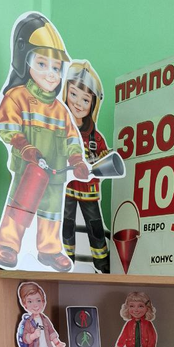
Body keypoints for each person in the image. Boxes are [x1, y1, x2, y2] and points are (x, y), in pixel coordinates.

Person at [0, 13, 89, 272]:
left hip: (56, 174)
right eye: (42, 64)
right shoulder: (17, 97)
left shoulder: (60, 111)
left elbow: (71, 138)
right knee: (20, 206)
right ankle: (8, 245)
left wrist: (77, 160)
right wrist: (24, 146)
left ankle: (49, 250)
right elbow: (6, 125)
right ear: (25, 62)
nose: (51, 74)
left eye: (56, 68)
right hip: (29, 169)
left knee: (51, 213)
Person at [62, 61, 110, 272]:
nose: (78, 103)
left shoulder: (95, 137)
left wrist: (105, 159)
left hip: (89, 190)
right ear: (65, 93)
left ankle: (102, 261)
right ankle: (66, 259)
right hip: (66, 187)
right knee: (66, 224)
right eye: (73, 94)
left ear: (93, 104)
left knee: (95, 226)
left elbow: (105, 158)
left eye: (85, 99)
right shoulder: (59, 129)